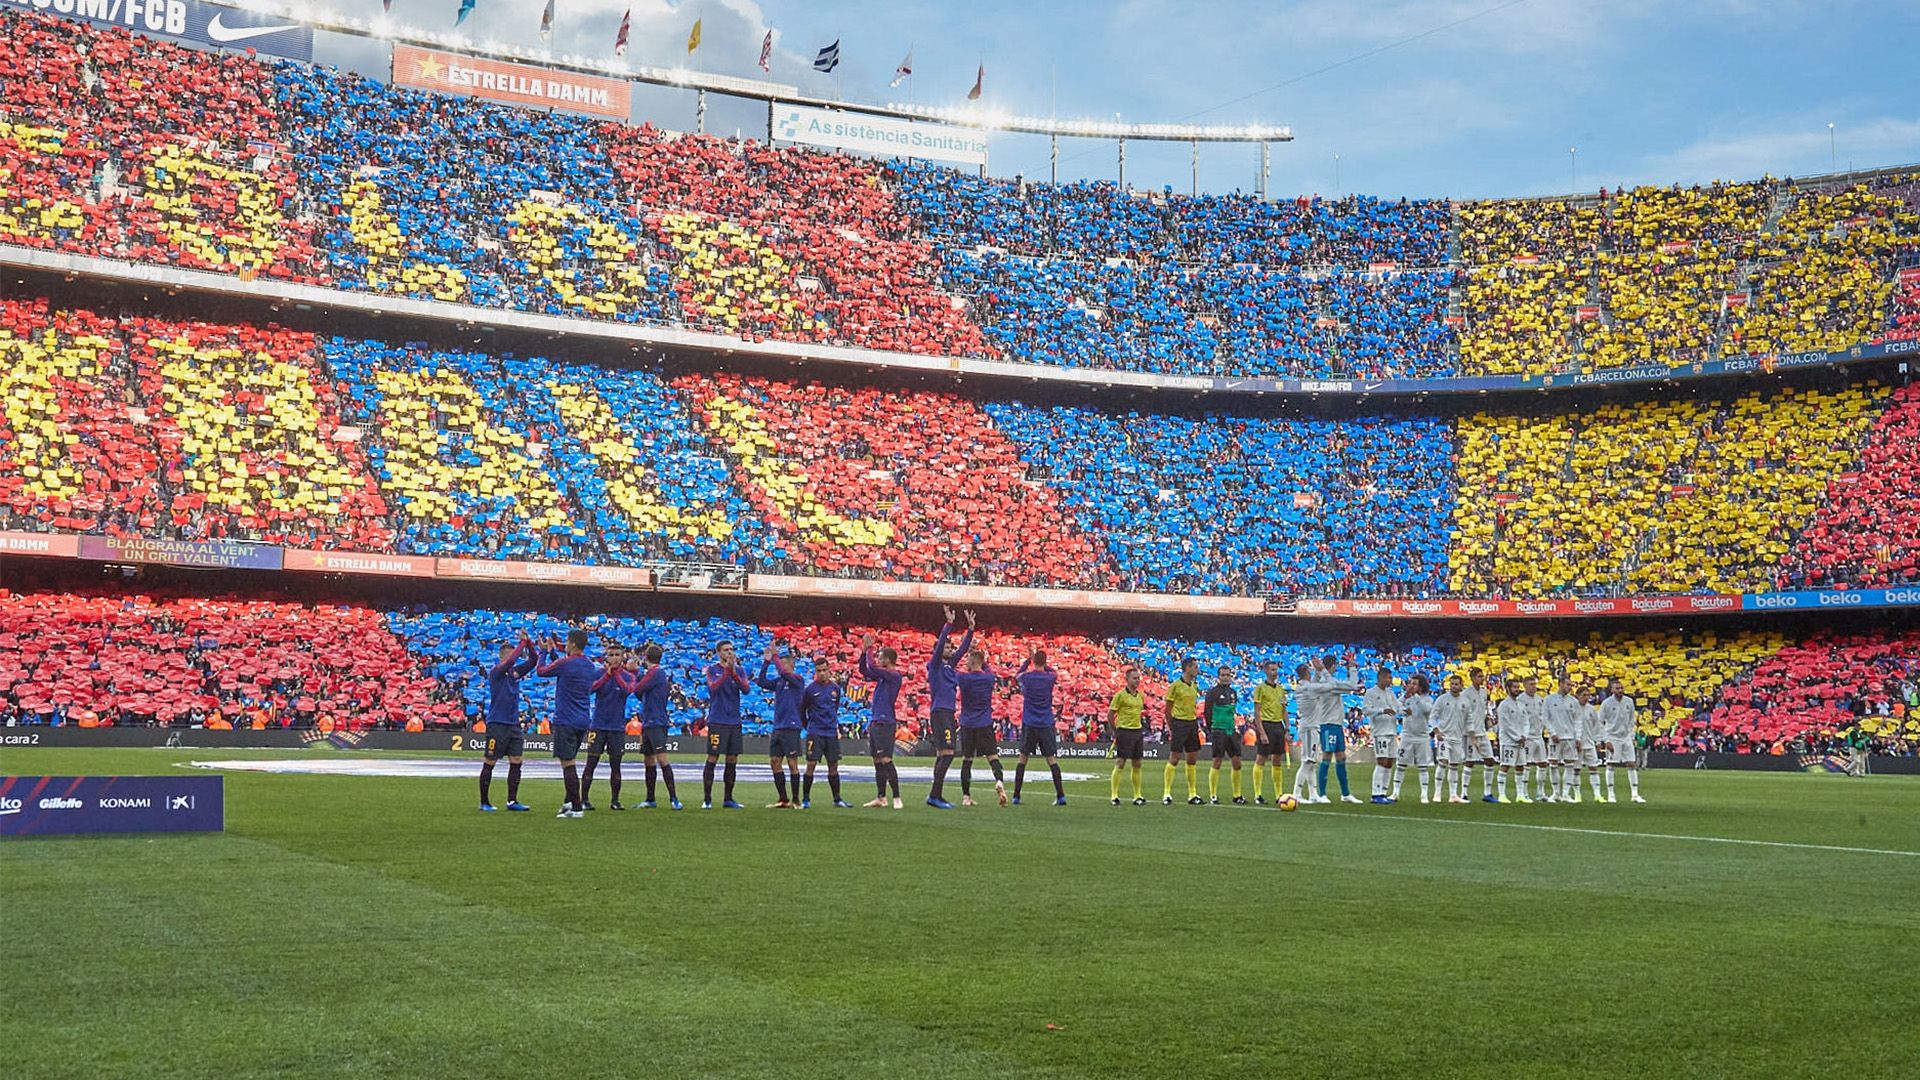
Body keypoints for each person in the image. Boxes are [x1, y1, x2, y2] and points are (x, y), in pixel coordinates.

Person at [535, 628, 599, 819]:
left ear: (571, 643)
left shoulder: (566, 663)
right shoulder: (589, 665)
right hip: (583, 719)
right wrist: (554, 652)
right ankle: (569, 802)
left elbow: (541, 671)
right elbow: (564, 666)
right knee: (570, 760)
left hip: (566, 719)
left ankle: (577, 808)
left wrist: (544, 651)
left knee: (568, 764)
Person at [478, 629, 535, 812]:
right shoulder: (496, 672)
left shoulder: (514, 673)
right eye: (512, 653)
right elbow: (511, 661)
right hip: (497, 723)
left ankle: (512, 800)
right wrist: (522, 644)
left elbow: (533, 662)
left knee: (517, 759)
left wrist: (530, 644)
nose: (515, 657)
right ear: (503, 656)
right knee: (490, 760)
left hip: (513, 723)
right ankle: (484, 802)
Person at [924, 607, 975, 809]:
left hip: (947, 712)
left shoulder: (949, 666)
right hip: (941, 712)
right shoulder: (935, 665)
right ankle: (935, 795)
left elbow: (962, 650)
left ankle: (935, 795)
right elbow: (939, 650)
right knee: (948, 753)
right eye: (946, 647)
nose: (950, 650)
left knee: (942, 755)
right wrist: (949, 624)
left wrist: (970, 629)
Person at [579, 644, 636, 811]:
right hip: (598, 725)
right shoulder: (599, 674)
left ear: (622, 657)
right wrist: (607, 675)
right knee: (591, 762)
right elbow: (589, 690)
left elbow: (628, 690)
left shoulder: (628, 676)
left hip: (617, 727)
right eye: (611, 654)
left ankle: (615, 800)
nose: (614, 658)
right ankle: (584, 800)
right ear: (606, 657)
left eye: (617, 654)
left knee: (616, 765)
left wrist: (615, 674)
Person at [953, 647, 1009, 807]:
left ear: (971, 662)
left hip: (968, 723)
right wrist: (978, 656)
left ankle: (966, 796)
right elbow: (987, 668)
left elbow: (955, 667)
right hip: (984, 722)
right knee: (993, 757)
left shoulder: (964, 678)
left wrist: (968, 653)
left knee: (967, 760)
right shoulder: (989, 678)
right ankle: (999, 781)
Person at [1012, 648, 1066, 806]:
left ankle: (1016, 796)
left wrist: (1028, 660)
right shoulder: (1050, 677)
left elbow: (1017, 674)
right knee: (1051, 760)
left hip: (1030, 721)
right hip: (1046, 721)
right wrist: (1040, 662)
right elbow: (1053, 671)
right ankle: (1061, 795)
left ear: (1034, 661)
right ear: (1045, 661)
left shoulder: (1026, 677)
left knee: (1023, 758)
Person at [858, 633, 905, 809]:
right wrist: (864, 652)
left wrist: (869, 648)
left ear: (888, 660)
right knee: (877, 760)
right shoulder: (882, 677)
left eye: (880, 657)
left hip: (886, 722)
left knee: (886, 759)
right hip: (877, 721)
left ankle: (897, 797)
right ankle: (881, 797)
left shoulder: (894, 675)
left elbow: (872, 666)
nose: (878, 660)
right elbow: (864, 669)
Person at [702, 641, 751, 810]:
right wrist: (726, 673)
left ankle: (728, 799)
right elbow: (713, 688)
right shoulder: (712, 670)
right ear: (718, 653)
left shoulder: (740, 670)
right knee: (713, 757)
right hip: (717, 720)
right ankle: (707, 799)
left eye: (731, 649)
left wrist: (734, 673)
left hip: (734, 721)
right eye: (726, 650)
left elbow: (746, 689)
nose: (729, 653)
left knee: (732, 759)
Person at [757, 642, 806, 809]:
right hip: (778, 726)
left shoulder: (798, 680)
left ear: (790, 665)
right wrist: (766, 662)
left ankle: (796, 799)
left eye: (783, 664)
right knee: (775, 761)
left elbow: (785, 674)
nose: (780, 668)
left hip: (791, 727)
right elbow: (761, 682)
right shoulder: (779, 682)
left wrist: (775, 656)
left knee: (792, 763)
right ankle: (783, 799)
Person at [632, 643, 682, 809]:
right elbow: (641, 693)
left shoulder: (655, 672)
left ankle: (674, 798)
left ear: (646, 657)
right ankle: (650, 798)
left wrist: (635, 673)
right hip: (649, 721)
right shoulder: (657, 674)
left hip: (656, 721)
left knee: (661, 758)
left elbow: (638, 689)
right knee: (648, 760)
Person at [1312, 654, 1366, 804]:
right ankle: (1321, 794)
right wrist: (1352, 668)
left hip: (1336, 724)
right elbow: (1352, 686)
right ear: (1333, 666)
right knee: (1327, 756)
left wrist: (1320, 671)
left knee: (1341, 757)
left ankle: (1345, 793)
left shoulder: (1326, 680)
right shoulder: (1329, 683)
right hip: (1328, 724)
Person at [801, 653, 851, 809]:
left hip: (830, 732)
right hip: (815, 732)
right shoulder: (810, 689)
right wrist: (809, 726)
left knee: (833, 765)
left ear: (829, 670)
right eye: (819, 670)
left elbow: (834, 709)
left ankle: (837, 799)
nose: (822, 673)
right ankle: (806, 799)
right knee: (811, 764)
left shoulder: (835, 688)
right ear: (815, 672)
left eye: (824, 670)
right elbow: (802, 710)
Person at [1495, 674, 1543, 804]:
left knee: (1521, 766)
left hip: (1521, 741)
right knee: (1505, 766)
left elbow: (1526, 722)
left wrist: (1524, 736)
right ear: (1508, 689)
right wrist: (1517, 737)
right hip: (1508, 741)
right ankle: (1502, 794)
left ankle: (1520, 794)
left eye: (1517, 687)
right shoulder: (1504, 705)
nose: (1517, 689)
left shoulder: (1520, 705)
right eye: (1514, 687)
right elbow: (1505, 724)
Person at [1163, 657, 1203, 806]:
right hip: (1179, 723)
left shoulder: (1194, 686)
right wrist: (1172, 726)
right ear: (1187, 668)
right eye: (1195, 667)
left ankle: (1192, 794)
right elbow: (1168, 709)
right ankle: (1167, 793)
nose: (1197, 670)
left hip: (1192, 723)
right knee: (1174, 758)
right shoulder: (1175, 686)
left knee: (1192, 759)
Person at [1391, 673, 1436, 803]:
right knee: (1400, 765)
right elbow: (1396, 708)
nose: (1411, 686)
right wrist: (1405, 697)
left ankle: (1424, 794)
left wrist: (1415, 696)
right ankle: (1395, 793)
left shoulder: (1427, 699)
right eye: (1410, 683)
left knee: (1423, 766)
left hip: (1422, 737)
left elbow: (1426, 710)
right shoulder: (1406, 698)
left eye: (1414, 684)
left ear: (1421, 687)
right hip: (1407, 736)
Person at [1203, 665, 1245, 805]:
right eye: (1223, 675)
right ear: (1218, 677)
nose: (1226, 677)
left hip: (1230, 730)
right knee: (1217, 760)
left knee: (1237, 761)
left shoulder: (1233, 692)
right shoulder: (1212, 693)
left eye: (1228, 674)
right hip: (1218, 730)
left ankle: (1237, 795)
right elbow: (1207, 713)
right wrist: (1211, 729)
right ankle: (1213, 795)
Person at [1599, 679, 1644, 803]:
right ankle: (1611, 794)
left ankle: (1635, 794)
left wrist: (1631, 736)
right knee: (1611, 764)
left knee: (1631, 763)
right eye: (1617, 688)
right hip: (1612, 737)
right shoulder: (1606, 703)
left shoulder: (1629, 701)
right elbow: (1600, 722)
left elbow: (1631, 720)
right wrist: (1606, 739)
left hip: (1626, 737)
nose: (1620, 690)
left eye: (1621, 688)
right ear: (1612, 690)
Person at [1108, 666, 1147, 805]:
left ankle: (1137, 795)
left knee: (1137, 763)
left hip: (1137, 731)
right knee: (1120, 762)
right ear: (1127, 679)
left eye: (1138, 678)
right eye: (1134, 678)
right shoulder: (1120, 695)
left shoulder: (1141, 695)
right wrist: (1115, 730)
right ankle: (1114, 795)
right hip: (1124, 731)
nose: (1137, 681)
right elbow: (1111, 714)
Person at [1364, 667, 1403, 804]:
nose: (1390, 680)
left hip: (1392, 731)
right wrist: (1382, 710)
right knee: (1381, 761)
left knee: (1389, 762)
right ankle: (1375, 794)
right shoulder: (1371, 693)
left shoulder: (1390, 693)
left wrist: (1405, 711)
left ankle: (1383, 793)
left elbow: (1397, 707)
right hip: (1380, 732)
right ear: (1381, 677)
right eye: (1388, 678)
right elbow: (1366, 710)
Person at [1430, 674, 1472, 803]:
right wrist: (1437, 731)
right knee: (1443, 762)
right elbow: (1432, 717)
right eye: (1452, 684)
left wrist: (1472, 736)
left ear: (1461, 686)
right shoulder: (1442, 699)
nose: (1453, 686)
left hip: (1457, 738)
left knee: (1454, 766)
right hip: (1444, 737)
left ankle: (1453, 795)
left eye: (1456, 684)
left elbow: (1469, 720)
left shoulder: (1465, 701)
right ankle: (1437, 794)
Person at [1251, 661, 1288, 806]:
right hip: (1266, 724)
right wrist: (1261, 732)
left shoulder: (1281, 690)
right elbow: (1257, 711)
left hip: (1278, 725)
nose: (1275, 672)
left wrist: (1287, 729)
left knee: (1277, 760)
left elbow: (1284, 710)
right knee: (1261, 758)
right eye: (1272, 670)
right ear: (1265, 671)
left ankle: (1279, 794)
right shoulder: (1260, 689)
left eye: (1276, 670)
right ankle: (1258, 794)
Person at [1541, 675, 1582, 804]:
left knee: (1570, 764)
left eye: (1571, 685)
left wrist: (1578, 737)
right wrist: (1552, 733)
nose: (1570, 687)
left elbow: (1578, 720)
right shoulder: (1548, 699)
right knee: (1553, 764)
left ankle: (1565, 794)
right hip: (1555, 738)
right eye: (1568, 684)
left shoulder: (1573, 701)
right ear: (1560, 683)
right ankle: (1555, 793)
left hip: (1570, 737)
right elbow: (1545, 718)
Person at [1289, 663, 1325, 803]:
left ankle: (1313, 793)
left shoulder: (1303, 687)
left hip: (1311, 726)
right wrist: (1320, 671)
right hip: (1310, 728)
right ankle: (1296, 793)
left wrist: (1317, 672)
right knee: (1307, 762)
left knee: (1312, 763)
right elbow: (1320, 686)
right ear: (1307, 673)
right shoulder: (1307, 688)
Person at [1464, 667, 1499, 803]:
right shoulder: (1466, 694)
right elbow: (1466, 714)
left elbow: (1483, 712)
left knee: (1490, 760)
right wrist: (1470, 733)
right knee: (1470, 761)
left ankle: (1487, 793)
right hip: (1471, 733)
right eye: (1479, 676)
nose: (1481, 679)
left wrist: (1489, 723)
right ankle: (1464, 793)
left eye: (1482, 676)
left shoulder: (1484, 693)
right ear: (1472, 677)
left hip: (1482, 731)